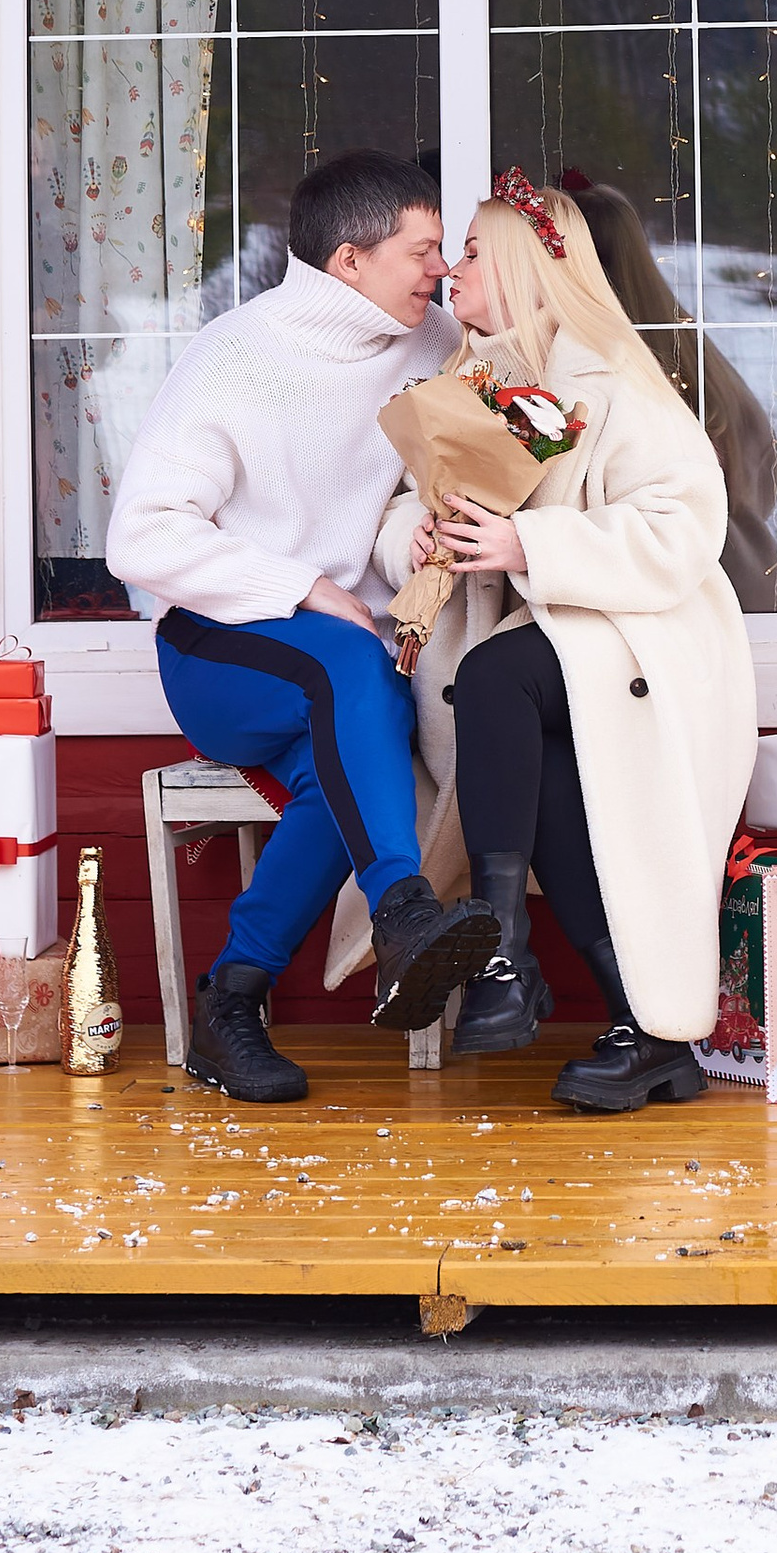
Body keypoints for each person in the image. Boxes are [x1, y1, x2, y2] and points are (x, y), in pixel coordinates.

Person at [105, 148, 499, 1104]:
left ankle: (229, 998)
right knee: (349, 668)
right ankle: (404, 907)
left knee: (346, 771)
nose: (440, 269)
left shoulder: (430, 341)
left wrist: (420, 537)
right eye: (422, 249)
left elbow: (418, 485)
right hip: (221, 644)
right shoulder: (234, 355)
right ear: (350, 261)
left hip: (349, 657)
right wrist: (299, 585)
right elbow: (141, 538)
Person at [376, 169, 758, 1110]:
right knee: (532, 767)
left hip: (646, 643)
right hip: (566, 642)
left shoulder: (607, 374)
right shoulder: (481, 382)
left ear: (517, 266)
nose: (454, 269)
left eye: (471, 250)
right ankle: (645, 1030)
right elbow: (398, 511)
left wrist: (526, 542)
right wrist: (415, 538)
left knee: (497, 676)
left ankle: (506, 957)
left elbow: (684, 522)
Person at [557, 174, 777, 613]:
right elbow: (766, 473)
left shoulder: (608, 364)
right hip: (751, 581)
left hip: (699, 599)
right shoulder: (690, 347)